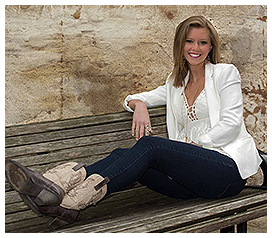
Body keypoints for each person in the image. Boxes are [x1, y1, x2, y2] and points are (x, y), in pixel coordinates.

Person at [5, 16, 262, 227]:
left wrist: (198, 144)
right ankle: (58, 187)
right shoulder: (175, 82)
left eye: (202, 42)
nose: (195, 48)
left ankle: (68, 201)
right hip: (190, 183)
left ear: (211, 47)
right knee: (121, 153)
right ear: (180, 46)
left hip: (226, 171)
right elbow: (134, 98)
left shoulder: (224, 73)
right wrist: (138, 105)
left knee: (151, 146)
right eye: (190, 41)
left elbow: (231, 122)